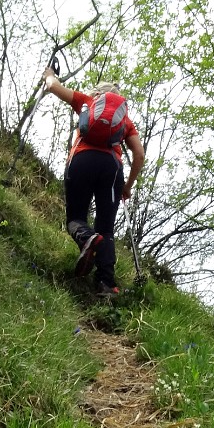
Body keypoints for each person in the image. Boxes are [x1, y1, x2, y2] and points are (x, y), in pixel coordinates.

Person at [42, 68, 144, 297]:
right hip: (111, 168)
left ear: (98, 94)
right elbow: (139, 155)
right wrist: (127, 187)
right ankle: (106, 283)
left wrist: (49, 74)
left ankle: (87, 239)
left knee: (76, 218)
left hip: (82, 161)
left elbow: (52, 86)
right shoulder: (125, 121)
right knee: (106, 227)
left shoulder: (86, 102)